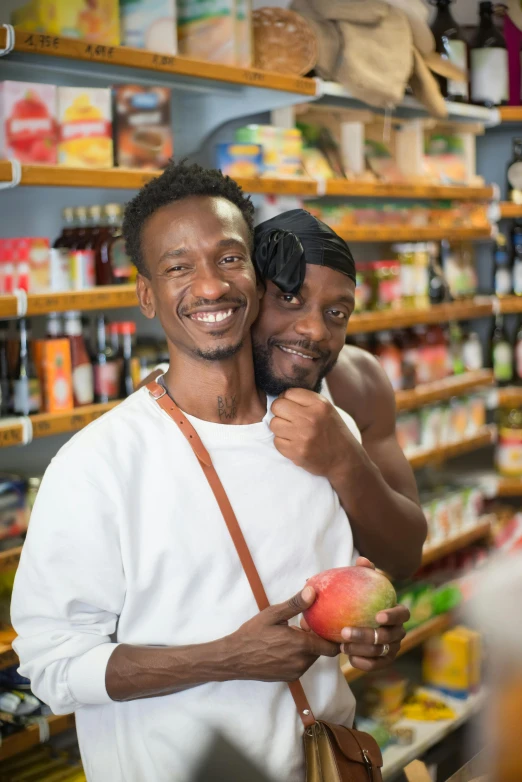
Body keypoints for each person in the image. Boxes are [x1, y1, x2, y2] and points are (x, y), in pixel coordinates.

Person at [11, 162, 409, 782]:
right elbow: (53, 666)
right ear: (147, 295)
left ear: (255, 272)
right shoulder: (99, 465)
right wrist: (225, 658)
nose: (210, 286)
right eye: (178, 267)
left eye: (228, 259)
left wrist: (372, 638)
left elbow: (363, 588)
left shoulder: (327, 435)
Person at [148, 208, 427, 584]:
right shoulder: (170, 406)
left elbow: (405, 555)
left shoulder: (358, 384)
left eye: (336, 312)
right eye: (290, 298)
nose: (314, 330)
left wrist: (347, 463)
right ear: (247, 294)